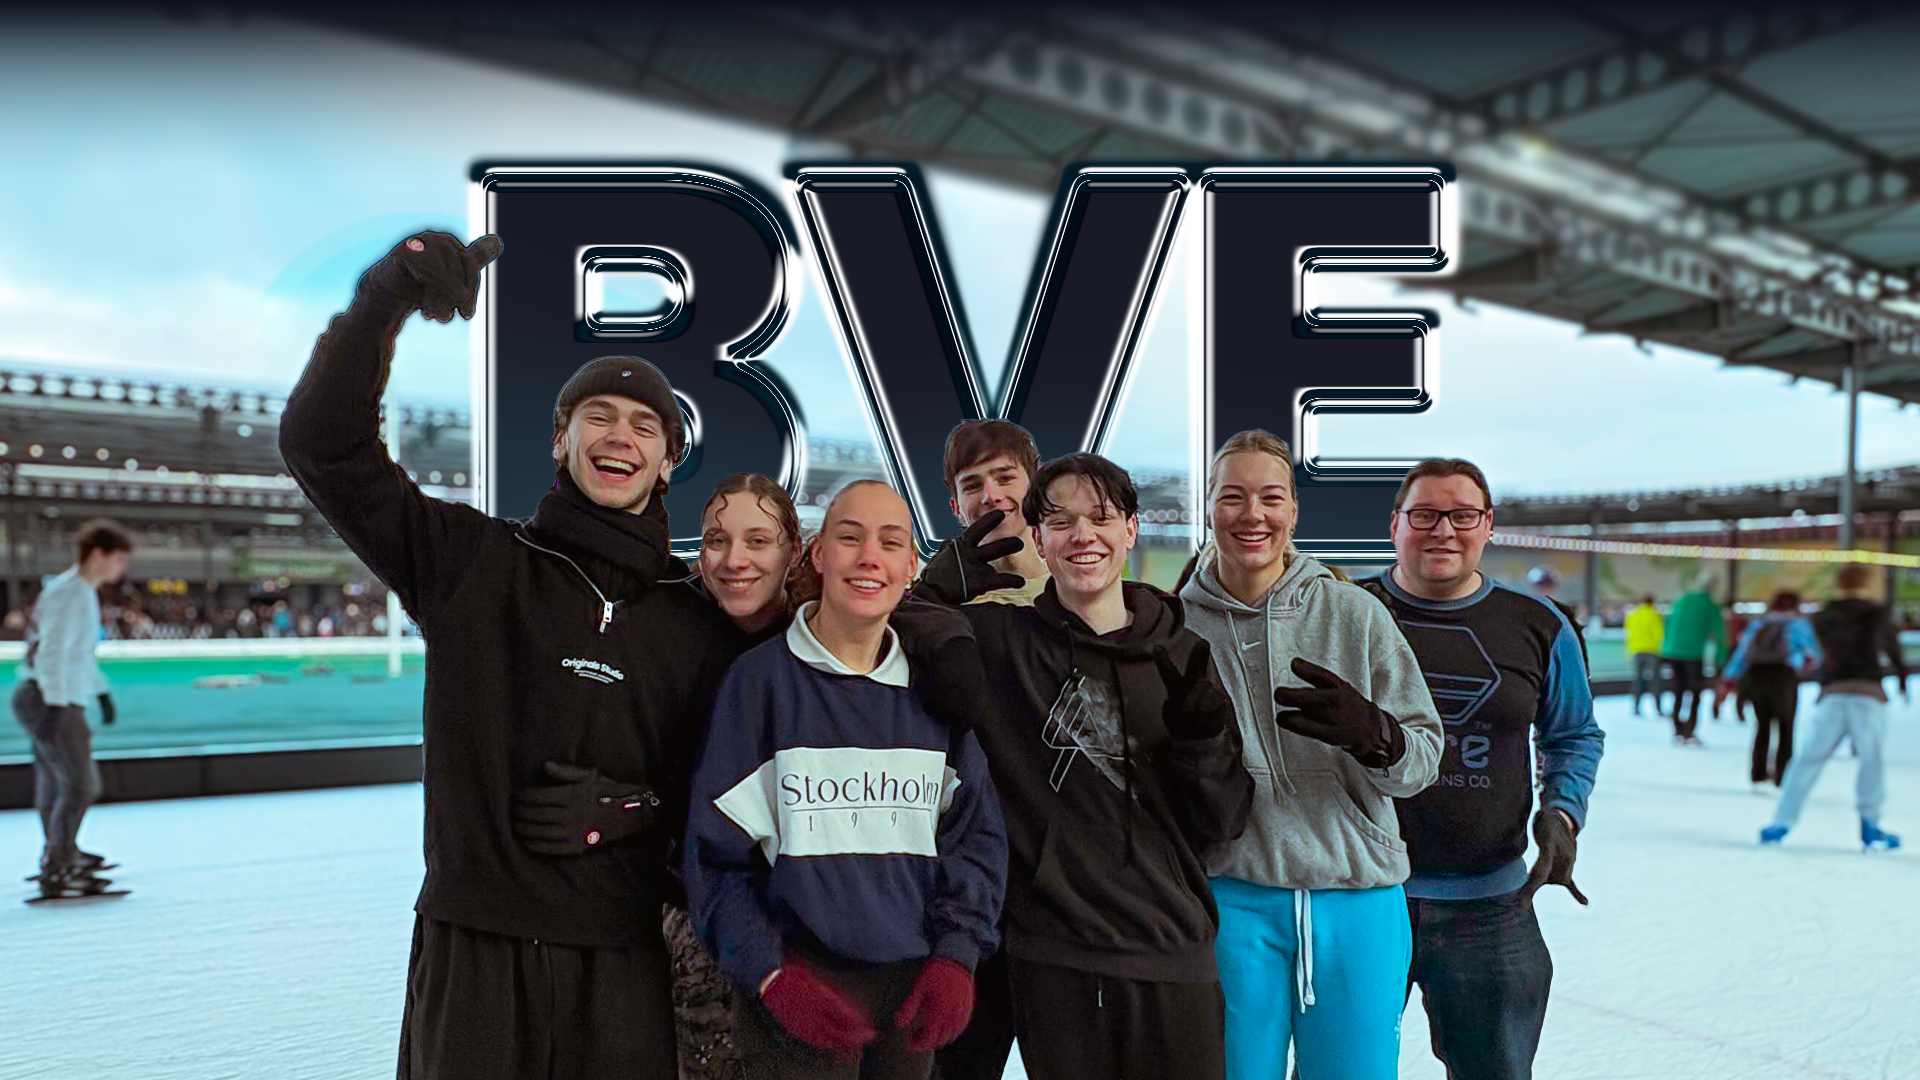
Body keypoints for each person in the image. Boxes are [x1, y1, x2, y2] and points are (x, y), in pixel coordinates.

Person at [280, 231, 743, 1080]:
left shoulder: (699, 619)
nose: (620, 436)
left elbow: (741, 787)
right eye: (597, 416)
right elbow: (323, 448)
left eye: (646, 426)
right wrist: (378, 305)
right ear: (560, 438)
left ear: (669, 462)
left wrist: (639, 809)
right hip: (475, 950)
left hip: (620, 961)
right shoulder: (471, 560)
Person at [923, 451, 1254, 1080]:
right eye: (1061, 521)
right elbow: (887, 633)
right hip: (1055, 959)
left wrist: (1206, 745)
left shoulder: (1182, 653)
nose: (1083, 535)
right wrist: (938, 587)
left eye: (1101, 517)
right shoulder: (998, 642)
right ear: (1040, 542)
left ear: (1131, 529)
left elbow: (1224, 822)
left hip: (1172, 952)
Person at [684, 480, 1008, 1080]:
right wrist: (770, 974)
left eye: (890, 542)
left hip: (910, 1001)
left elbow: (975, 841)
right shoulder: (758, 686)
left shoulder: (936, 688)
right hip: (793, 1000)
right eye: (850, 537)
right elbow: (715, 858)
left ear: (911, 566)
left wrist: (956, 959)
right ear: (818, 553)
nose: (868, 557)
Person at [1177, 431, 1441, 1080]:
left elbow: (1423, 760)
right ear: (1209, 507)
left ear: (1293, 511)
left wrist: (1376, 735)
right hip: (1232, 903)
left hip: (1356, 901)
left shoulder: (1355, 615)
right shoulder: (1175, 626)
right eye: (1232, 497)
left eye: (1270, 497)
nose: (1252, 515)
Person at [1357, 458, 1604, 1080]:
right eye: (1425, 514)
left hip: (1489, 903)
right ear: (1395, 525)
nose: (1444, 529)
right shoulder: (1345, 611)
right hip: (1358, 897)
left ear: (1487, 525)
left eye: (1462, 515)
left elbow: (1572, 733)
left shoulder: (1538, 624)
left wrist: (1563, 812)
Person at [913, 419, 1048, 1080]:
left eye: (1005, 478)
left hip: (1058, 894)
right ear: (954, 506)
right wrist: (929, 594)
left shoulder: (1082, 590)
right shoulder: (929, 604)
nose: (991, 496)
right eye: (974, 484)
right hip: (964, 890)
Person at [12, 519, 131, 902]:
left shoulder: (74, 591)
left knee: (56, 782)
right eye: (118, 559)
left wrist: (99, 692)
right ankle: (61, 863)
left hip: (46, 694)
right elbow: (51, 652)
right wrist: (58, 704)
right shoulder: (71, 592)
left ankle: (60, 855)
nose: (121, 569)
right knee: (79, 784)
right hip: (51, 697)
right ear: (98, 554)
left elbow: (76, 655)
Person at [1761, 564, 1911, 850]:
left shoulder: (1823, 616)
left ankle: (1782, 821)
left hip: (1833, 692)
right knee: (1871, 759)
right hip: (1868, 693)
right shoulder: (1878, 614)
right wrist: (1902, 679)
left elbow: (1811, 652)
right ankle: (1871, 824)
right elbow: (1892, 648)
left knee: (1809, 758)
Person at [1715, 591, 1820, 793]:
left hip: (1757, 675)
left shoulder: (1759, 623)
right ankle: (1783, 774)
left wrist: (1728, 677)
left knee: (1762, 725)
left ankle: (1758, 772)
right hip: (1783, 674)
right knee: (1786, 726)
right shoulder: (1798, 624)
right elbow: (1813, 653)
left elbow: (1742, 653)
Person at [1661, 586, 1726, 745]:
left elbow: (1669, 624)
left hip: (1673, 652)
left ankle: (1677, 730)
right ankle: (1689, 729)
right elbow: (1719, 632)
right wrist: (1722, 658)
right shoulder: (1709, 605)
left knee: (1678, 690)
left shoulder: (1681, 601)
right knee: (1696, 692)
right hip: (1694, 654)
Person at [1624, 595, 1665, 717]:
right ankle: (1658, 708)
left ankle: (1636, 707)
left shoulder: (1633, 616)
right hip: (1652, 651)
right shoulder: (1654, 615)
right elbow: (1659, 633)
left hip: (1637, 651)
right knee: (1656, 681)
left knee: (1638, 680)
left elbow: (1629, 633)